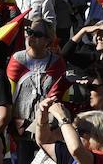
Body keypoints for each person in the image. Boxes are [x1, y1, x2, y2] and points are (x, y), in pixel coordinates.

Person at [6, 17, 68, 163]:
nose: (31, 36)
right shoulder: (18, 59)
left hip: (49, 126)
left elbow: (61, 95)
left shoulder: (57, 62)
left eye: (37, 34)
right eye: (29, 32)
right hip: (21, 126)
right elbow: (9, 95)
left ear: (48, 40)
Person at [36, 99, 103, 164]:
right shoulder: (73, 155)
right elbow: (44, 142)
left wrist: (63, 118)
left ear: (96, 135)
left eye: (77, 131)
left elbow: (76, 150)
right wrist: (43, 116)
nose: (74, 134)